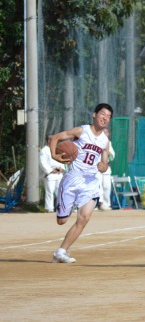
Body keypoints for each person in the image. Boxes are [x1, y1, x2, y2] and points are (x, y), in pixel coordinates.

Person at [50, 103, 113, 263]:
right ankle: (67, 206)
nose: (105, 118)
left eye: (108, 116)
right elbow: (55, 137)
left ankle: (61, 252)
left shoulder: (105, 141)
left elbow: (104, 164)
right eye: (103, 114)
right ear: (95, 114)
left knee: (84, 218)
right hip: (72, 179)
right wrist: (54, 155)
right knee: (61, 221)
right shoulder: (81, 131)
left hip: (90, 182)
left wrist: (103, 167)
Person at [39, 135, 66, 213]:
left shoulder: (57, 149)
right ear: (49, 141)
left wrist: (62, 168)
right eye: (53, 140)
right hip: (50, 174)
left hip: (59, 174)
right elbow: (42, 163)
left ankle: (61, 207)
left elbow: (61, 159)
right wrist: (51, 170)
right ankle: (49, 208)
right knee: (50, 192)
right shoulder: (44, 150)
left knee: (60, 191)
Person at [98, 129, 116, 211]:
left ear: (108, 134)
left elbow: (112, 156)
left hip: (106, 168)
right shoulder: (96, 141)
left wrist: (107, 152)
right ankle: (99, 203)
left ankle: (106, 204)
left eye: (106, 132)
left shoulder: (109, 143)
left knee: (106, 187)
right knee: (98, 186)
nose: (104, 134)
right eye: (103, 132)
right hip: (97, 168)